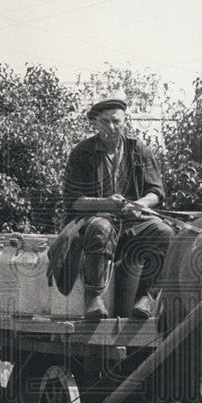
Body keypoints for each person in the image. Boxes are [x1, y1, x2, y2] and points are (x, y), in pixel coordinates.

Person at [47, 97, 174, 320]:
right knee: (101, 227)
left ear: (126, 121)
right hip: (91, 220)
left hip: (133, 220)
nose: (111, 128)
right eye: (105, 122)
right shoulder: (81, 153)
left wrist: (140, 205)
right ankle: (93, 298)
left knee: (164, 233)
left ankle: (145, 296)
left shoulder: (139, 150)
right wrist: (106, 203)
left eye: (116, 121)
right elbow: (73, 201)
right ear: (95, 124)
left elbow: (156, 192)